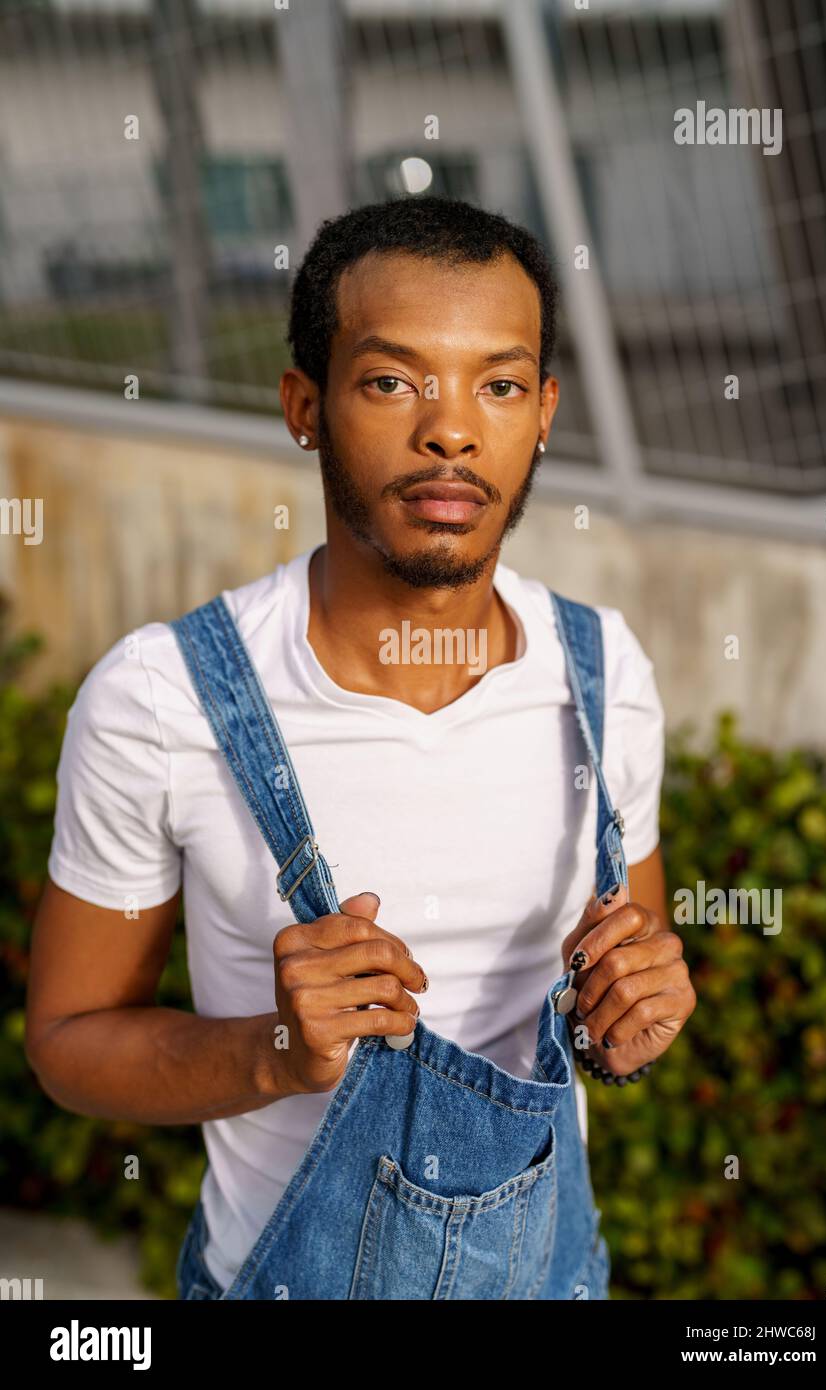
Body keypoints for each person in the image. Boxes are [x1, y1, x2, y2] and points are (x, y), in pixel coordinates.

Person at [26, 195, 696, 1299]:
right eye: (393, 381)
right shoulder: (162, 701)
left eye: (499, 383)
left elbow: (628, 960)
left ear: (543, 412)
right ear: (305, 405)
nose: (451, 429)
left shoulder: (604, 675)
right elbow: (65, 1039)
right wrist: (271, 1053)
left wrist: (629, 1020)